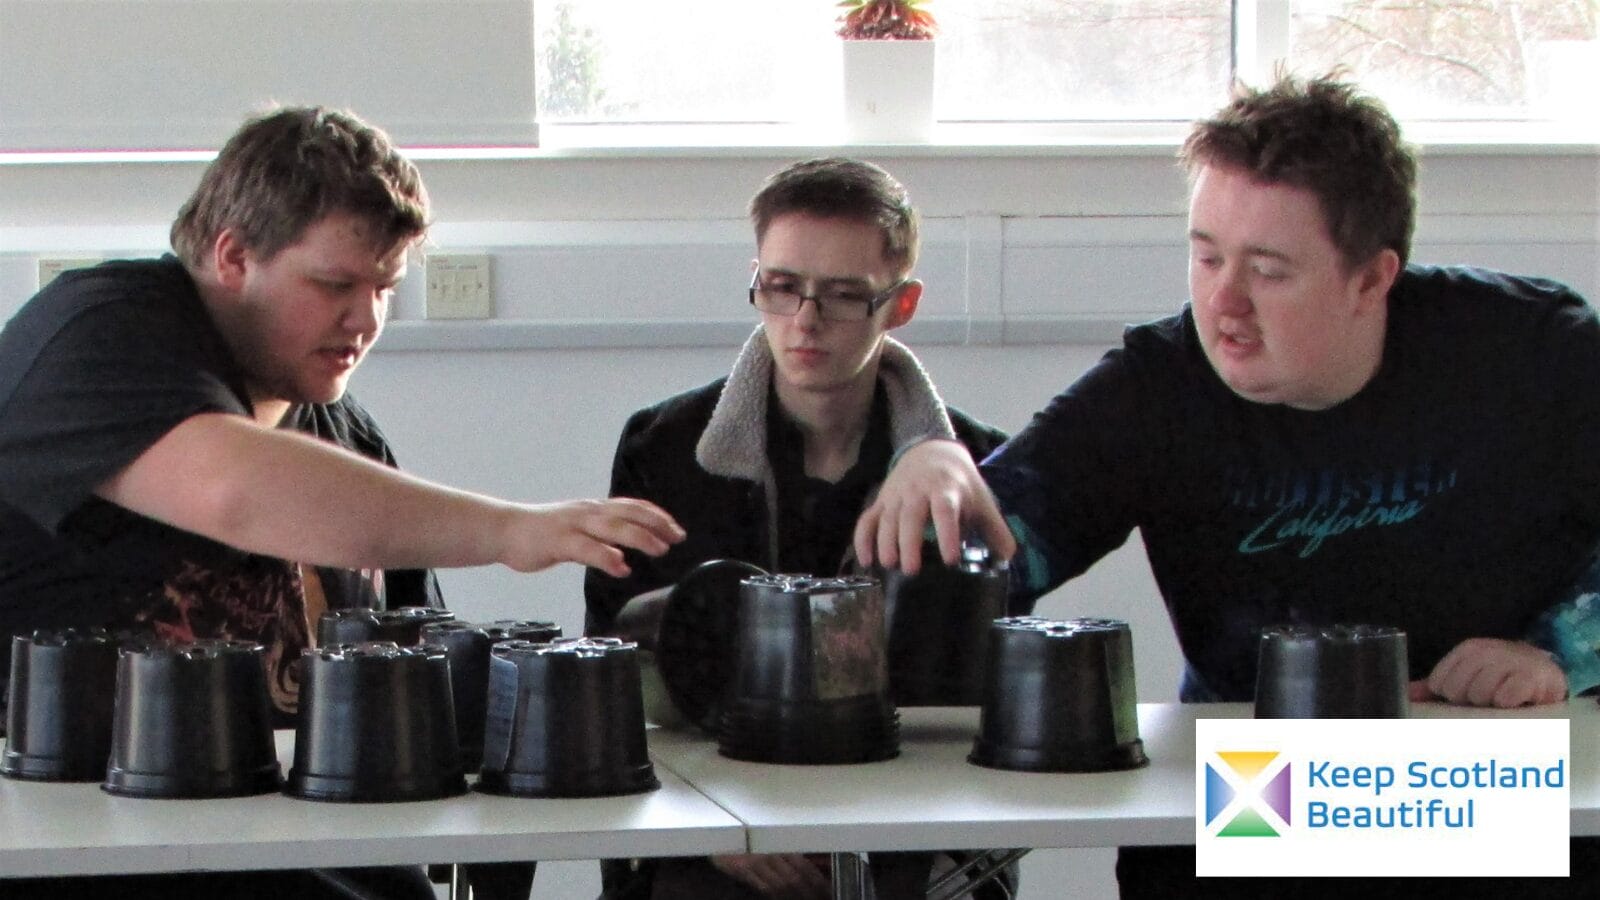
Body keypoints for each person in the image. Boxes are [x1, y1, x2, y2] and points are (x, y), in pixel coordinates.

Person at [852, 73, 1600, 897]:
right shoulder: (1156, 384)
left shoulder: (1536, 351)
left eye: (1270, 271)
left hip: (1498, 774)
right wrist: (935, 469)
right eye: (1205, 256)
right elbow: (990, 553)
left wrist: (1557, 651)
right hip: (1256, 785)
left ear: (1371, 279)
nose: (1224, 303)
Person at [0, 105, 681, 900]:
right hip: (76, 846)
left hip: (293, 841)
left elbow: (417, 671)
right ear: (232, 256)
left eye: (384, 289)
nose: (364, 321)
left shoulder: (341, 433)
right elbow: (234, 488)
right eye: (334, 285)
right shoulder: (94, 332)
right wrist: (505, 528)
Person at [585, 158, 1013, 900]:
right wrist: (721, 830)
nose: (805, 321)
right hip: (708, 830)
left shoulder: (973, 467)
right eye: (782, 288)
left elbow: (990, 700)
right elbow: (615, 675)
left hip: (908, 832)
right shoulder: (664, 448)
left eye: (845, 296)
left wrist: (875, 834)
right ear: (757, 282)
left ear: (901, 304)